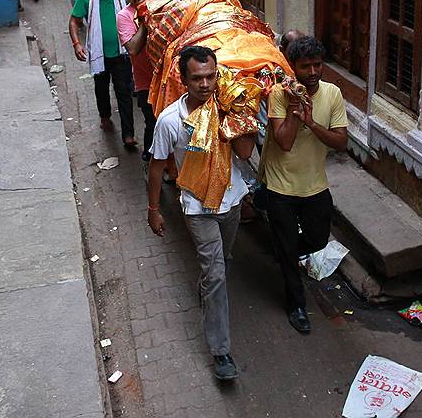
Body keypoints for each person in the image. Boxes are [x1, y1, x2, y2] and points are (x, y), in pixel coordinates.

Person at [147, 46, 257, 381]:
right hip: (197, 208)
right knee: (216, 274)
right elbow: (156, 167)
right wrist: (153, 209)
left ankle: (208, 291)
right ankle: (221, 351)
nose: (206, 84)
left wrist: (233, 117)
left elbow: (245, 151)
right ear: (183, 80)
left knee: (221, 262)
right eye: (197, 78)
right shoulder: (170, 121)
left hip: (232, 202)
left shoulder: (228, 108)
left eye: (211, 76)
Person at [260, 36, 348, 334]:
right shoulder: (277, 94)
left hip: (314, 184)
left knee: (318, 239)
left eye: (317, 65)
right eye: (305, 66)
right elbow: (283, 142)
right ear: (293, 68)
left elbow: (341, 142)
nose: (312, 72)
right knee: (287, 249)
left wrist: (311, 122)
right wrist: (296, 111)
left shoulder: (333, 94)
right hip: (280, 185)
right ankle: (297, 306)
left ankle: (284, 251)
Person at [69, 0, 136, 147]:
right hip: (99, 55)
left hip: (122, 53)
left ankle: (128, 134)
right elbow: (74, 22)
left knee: (124, 92)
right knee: (101, 88)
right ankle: (105, 116)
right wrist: (76, 44)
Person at [117, 0, 157, 177]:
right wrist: (143, 21)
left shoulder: (160, 3)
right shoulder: (124, 17)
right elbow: (132, 48)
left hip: (169, 81)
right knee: (153, 124)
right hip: (145, 83)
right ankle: (149, 163)